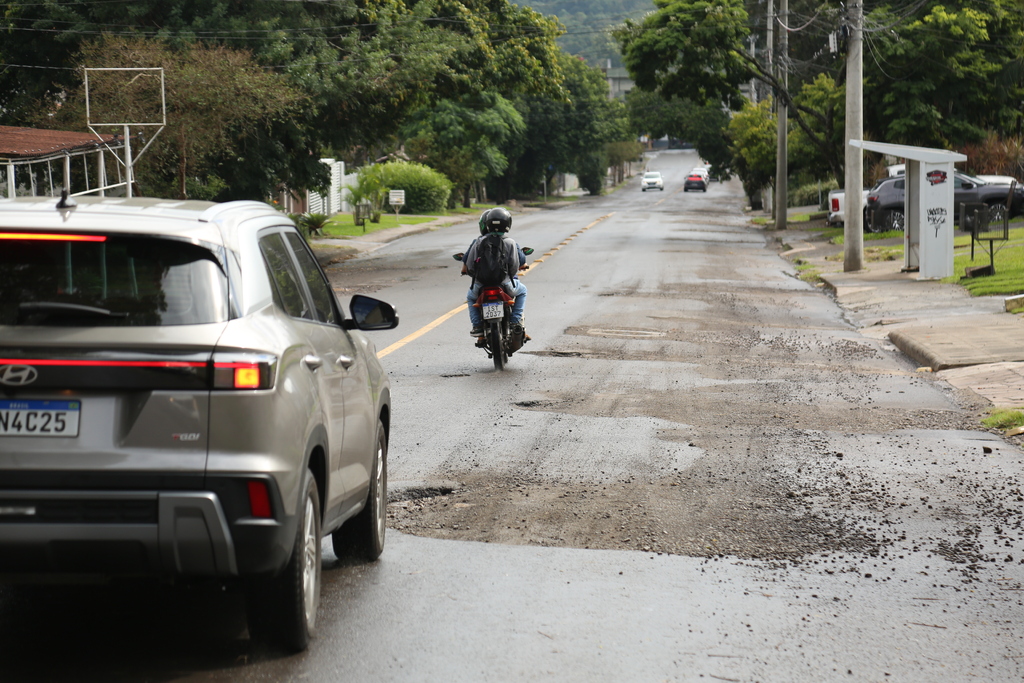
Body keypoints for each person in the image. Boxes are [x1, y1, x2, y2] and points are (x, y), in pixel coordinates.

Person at [462, 207, 528, 338]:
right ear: (508, 224)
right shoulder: (510, 242)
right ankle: (515, 322)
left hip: (481, 285)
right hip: (506, 285)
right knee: (522, 291)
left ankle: (477, 326)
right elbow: (515, 265)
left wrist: (475, 276)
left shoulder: (478, 242)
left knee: (470, 298)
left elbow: (469, 265)